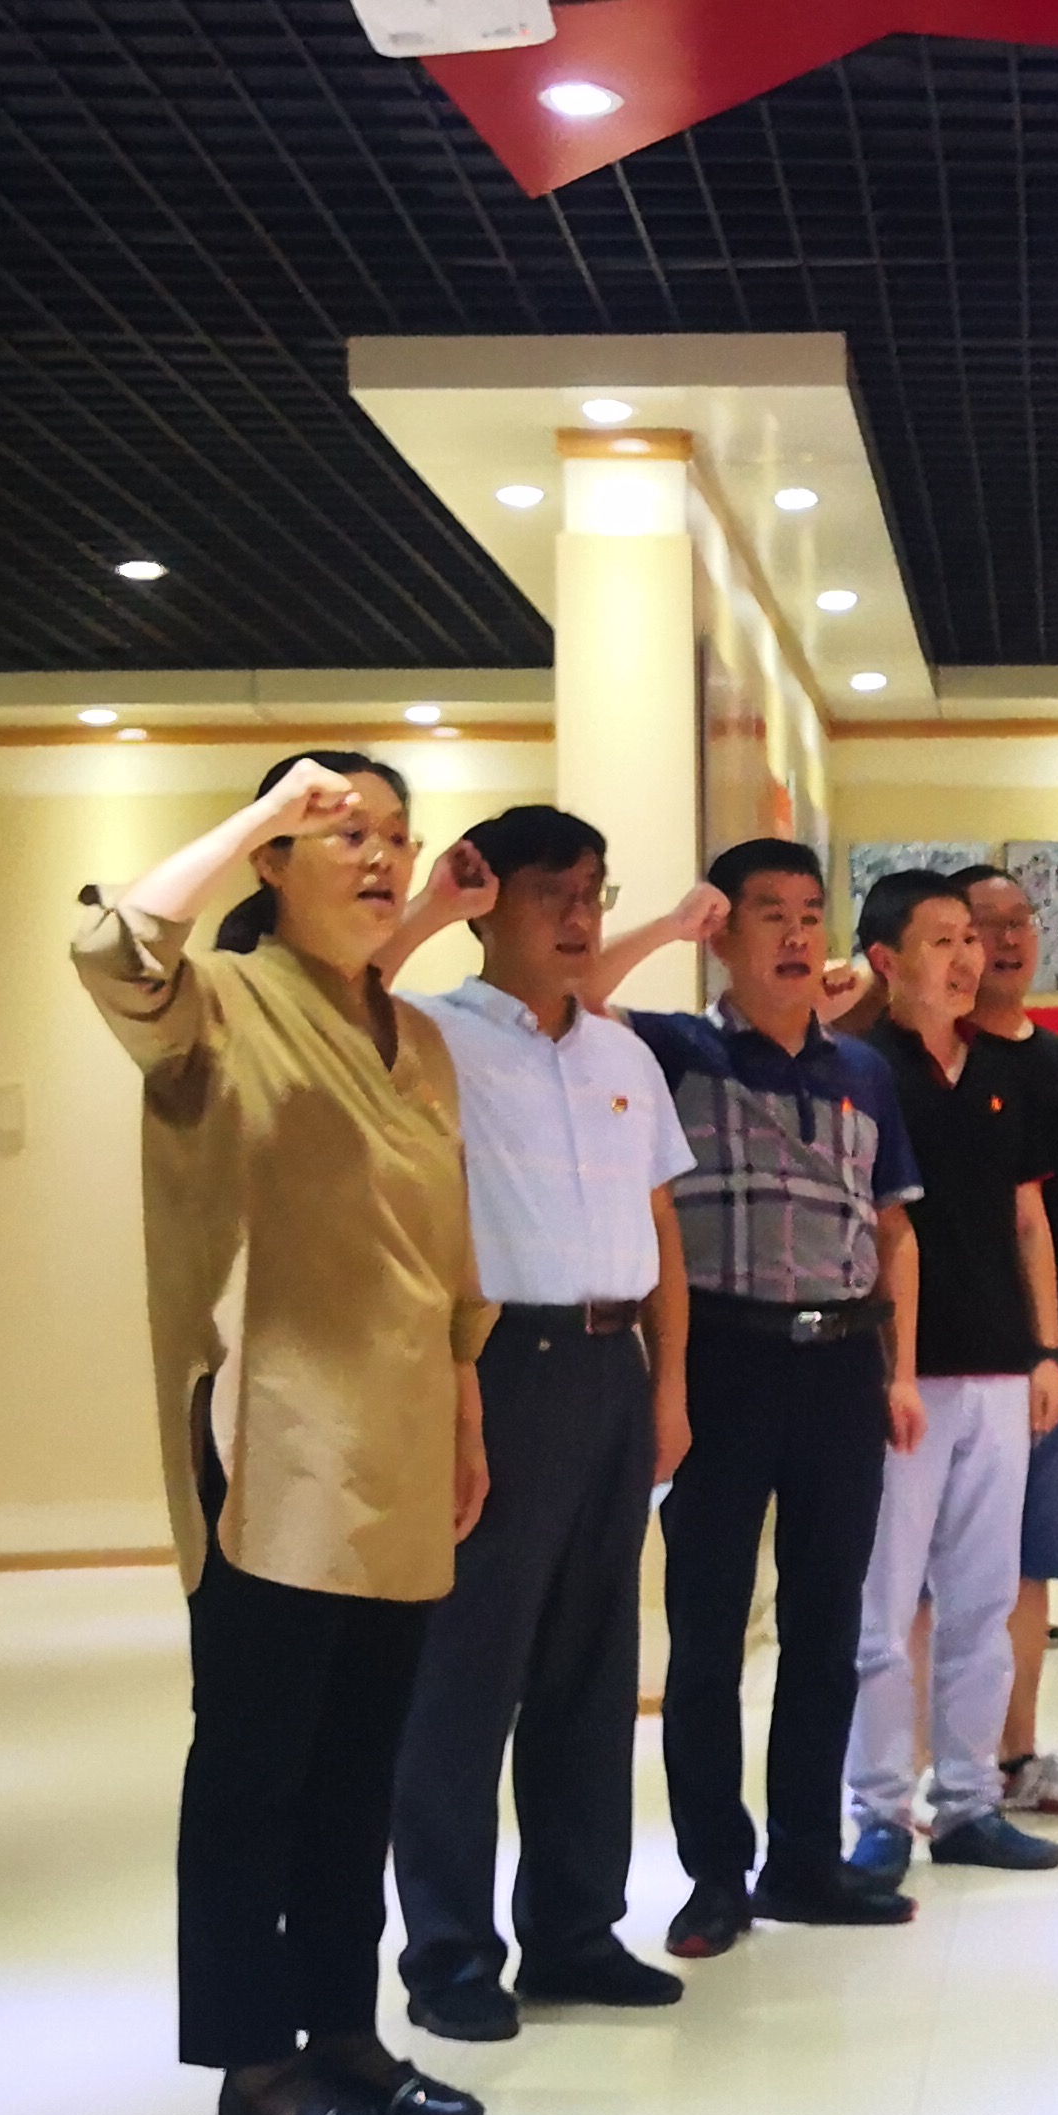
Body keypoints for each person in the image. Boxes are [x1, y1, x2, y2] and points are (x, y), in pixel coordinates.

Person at [71, 751, 495, 2115]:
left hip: (402, 1440)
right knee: (255, 1769)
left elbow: (448, 1252)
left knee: (360, 1769)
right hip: (271, 1445)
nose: (380, 858)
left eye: (395, 836)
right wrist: (261, 809)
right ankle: (253, 2070)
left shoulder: (417, 1037)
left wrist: (467, 1407)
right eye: (342, 833)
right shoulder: (219, 1005)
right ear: (274, 862)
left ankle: (343, 2036)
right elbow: (114, 947)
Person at [372, 806, 692, 2043]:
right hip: (498, 1369)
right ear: (488, 903)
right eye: (550, 891)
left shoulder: (622, 1054)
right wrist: (427, 906)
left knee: (591, 1670)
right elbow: (335, 1007)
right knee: (466, 1675)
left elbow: (660, 1228)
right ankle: (450, 1954)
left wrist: (669, 1388)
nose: (578, 915)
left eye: (593, 891)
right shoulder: (429, 1036)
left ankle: (573, 1930)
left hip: (613, 1368)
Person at [589, 841, 926, 1945]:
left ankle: (805, 1861)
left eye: (809, 912)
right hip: (723, 1360)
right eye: (766, 912)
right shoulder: (674, 1051)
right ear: (723, 933)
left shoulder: (862, 1070)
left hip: (840, 1365)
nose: (793, 933)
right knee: (708, 1637)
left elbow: (893, 1228)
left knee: (827, 1629)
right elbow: (573, 995)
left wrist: (898, 1371)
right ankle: (714, 1875)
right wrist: (665, 926)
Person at [844, 873, 1058, 1879]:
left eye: (969, 940)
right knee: (887, 1607)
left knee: (984, 1600)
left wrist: (1046, 1348)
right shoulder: (860, 1067)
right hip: (901, 1375)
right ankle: (879, 1809)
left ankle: (971, 1800)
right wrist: (888, 1367)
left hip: (997, 1368)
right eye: (940, 940)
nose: (965, 957)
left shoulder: (1001, 1068)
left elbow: (1029, 1219)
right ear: (885, 960)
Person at [951, 866, 1058, 1813]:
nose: (1009, 939)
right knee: (934, 1573)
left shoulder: (1057, 1063)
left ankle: (1015, 1756)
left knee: (1028, 1565)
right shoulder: (919, 1052)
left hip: (1043, 1351)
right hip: (942, 1349)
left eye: (1022, 920)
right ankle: (932, 1770)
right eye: (987, 924)